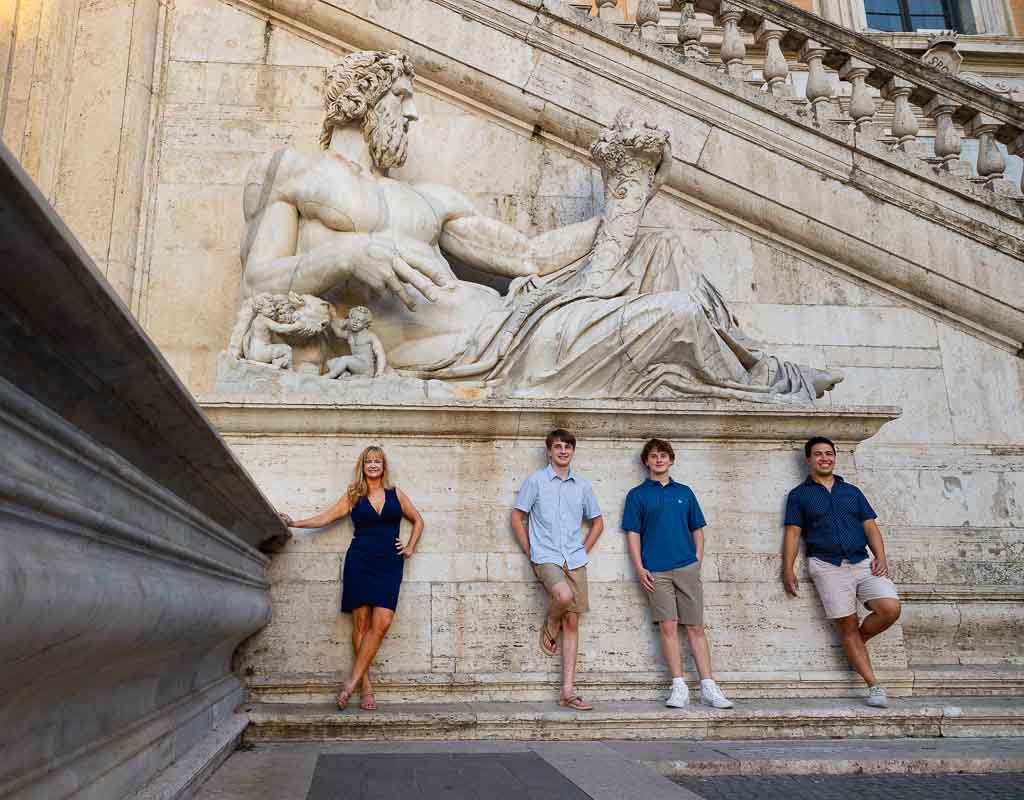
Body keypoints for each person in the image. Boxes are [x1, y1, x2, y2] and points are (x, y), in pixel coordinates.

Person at [239, 49, 841, 402]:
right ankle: (772, 385)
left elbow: (530, 256)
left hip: (514, 324)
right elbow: (261, 279)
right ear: (364, 100)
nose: (415, 112)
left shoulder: (426, 199)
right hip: (472, 356)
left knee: (653, 246)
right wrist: (350, 256)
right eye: (402, 98)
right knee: (678, 315)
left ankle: (759, 369)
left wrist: (626, 203)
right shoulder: (298, 174)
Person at [279, 446, 424, 710]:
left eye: (377, 461)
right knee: (360, 626)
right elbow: (326, 517)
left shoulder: (396, 494)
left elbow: (418, 520)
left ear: (383, 466)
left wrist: (411, 546)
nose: (373, 465)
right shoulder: (354, 495)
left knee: (381, 624)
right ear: (363, 466)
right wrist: (295, 523)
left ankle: (349, 682)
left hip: (390, 565)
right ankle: (365, 687)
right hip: (360, 562)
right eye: (368, 461)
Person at [782, 436, 901, 708]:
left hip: (862, 561)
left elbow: (870, 527)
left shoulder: (852, 492)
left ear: (834, 457)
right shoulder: (799, 495)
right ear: (808, 459)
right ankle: (874, 686)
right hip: (827, 566)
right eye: (818, 454)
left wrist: (881, 556)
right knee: (846, 626)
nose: (825, 458)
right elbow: (793, 533)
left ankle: (855, 642)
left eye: (829, 454)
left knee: (890, 608)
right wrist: (788, 569)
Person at [622, 438, 734, 709]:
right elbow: (633, 534)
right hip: (656, 571)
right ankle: (679, 686)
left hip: (686, 567)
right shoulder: (637, 495)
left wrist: (697, 561)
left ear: (671, 460)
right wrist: (639, 568)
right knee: (669, 627)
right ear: (646, 461)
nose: (658, 460)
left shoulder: (684, 492)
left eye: (663, 455)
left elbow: (698, 529)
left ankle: (709, 686)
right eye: (653, 456)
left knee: (695, 627)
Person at [511, 428, 604, 711]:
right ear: (549, 451)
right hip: (546, 556)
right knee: (562, 597)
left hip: (574, 559)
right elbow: (517, 516)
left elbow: (598, 522)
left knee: (573, 623)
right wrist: (530, 551)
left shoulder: (583, 486)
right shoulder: (536, 482)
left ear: (573, 451)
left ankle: (567, 690)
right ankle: (550, 623)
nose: (563, 451)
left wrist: (583, 550)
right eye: (558, 447)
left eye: (568, 447)